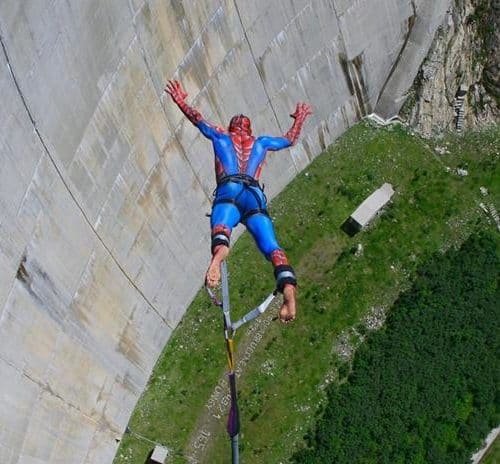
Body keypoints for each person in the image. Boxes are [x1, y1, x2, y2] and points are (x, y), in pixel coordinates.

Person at [165, 80, 312, 323]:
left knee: (222, 231)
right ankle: (289, 295)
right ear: (249, 130)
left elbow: (196, 118)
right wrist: (299, 118)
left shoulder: (220, 135)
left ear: (231, 127)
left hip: (229, 190)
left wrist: (179, 99)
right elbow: (290, 140)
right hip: (254, 196)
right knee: (273, 249)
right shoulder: (262, 142)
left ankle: (217, 259)